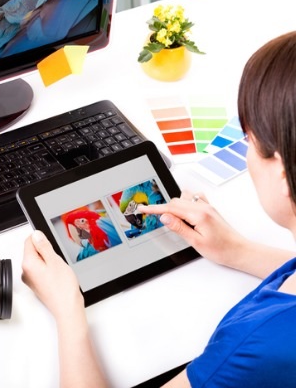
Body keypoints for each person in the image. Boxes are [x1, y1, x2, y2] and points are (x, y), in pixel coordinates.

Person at [21, 31, 296, 388]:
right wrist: (238, 251)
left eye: (251, 142)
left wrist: (67, 310)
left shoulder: (253, 347)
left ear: (283, 174)